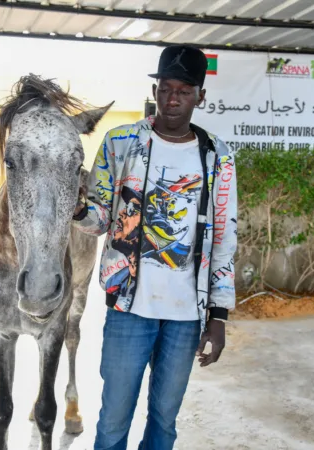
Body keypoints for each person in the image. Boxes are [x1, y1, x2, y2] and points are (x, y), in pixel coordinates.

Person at [72, 45, 238, 450]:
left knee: (164, 422)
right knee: (113, 422)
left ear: (200, 95)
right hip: (129, 309)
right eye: (165, 88)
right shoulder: (120, 143)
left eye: (184, 90)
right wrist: (77, 208)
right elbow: (99, 220)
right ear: (156, 90)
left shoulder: (218, 157)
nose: (172, 98)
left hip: (186, 317)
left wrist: (218, 316)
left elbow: (222, 239)